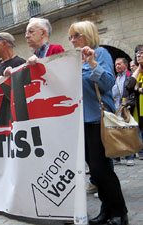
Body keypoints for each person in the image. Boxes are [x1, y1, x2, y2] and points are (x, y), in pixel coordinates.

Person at [68, 21, 128, 225]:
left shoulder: (100, 53)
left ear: (87, 35)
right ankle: (107, 209)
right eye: (71, 37)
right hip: (82, 121)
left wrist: (92, 62)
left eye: (76, 35)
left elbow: (108, 83)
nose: (73, 40)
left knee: (102, 169)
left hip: (98, 119)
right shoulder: (74, 59)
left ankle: (120, 212)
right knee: (94, 170)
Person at [112, 58, 135, 166]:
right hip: (117, 108)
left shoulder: (130, 75)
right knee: (116, 132)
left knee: (127, 133)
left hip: (127, 107)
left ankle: (130, 157)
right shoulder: (116, 78)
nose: (117, 66)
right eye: (116, 64)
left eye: (119, 64)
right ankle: (117, 157)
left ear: (125, 65)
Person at [131, 44, 143, 160]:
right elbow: (130, 85)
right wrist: (139, 68)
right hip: (140, 108)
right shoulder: (139, 72)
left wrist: (138, 89)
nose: (138, 55)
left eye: (141, 52)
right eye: (137, 53)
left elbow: (136, 89)